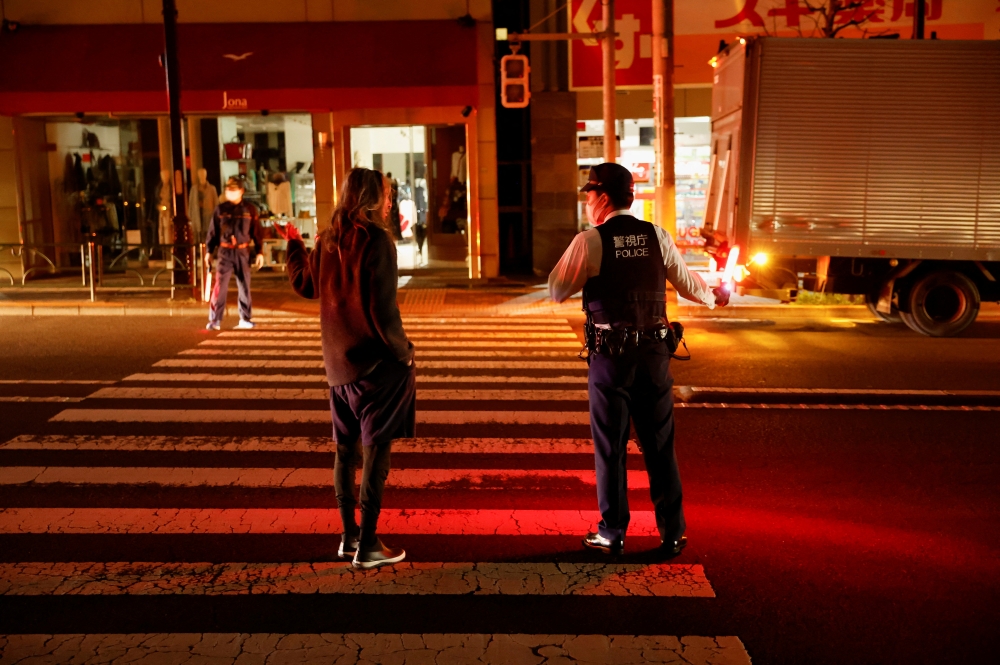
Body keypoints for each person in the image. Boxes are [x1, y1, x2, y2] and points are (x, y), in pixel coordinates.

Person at [548, 163, 730, 557]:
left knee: (611, 448)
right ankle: (673, 533)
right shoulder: (656, 235)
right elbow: (690, 284)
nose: (586, 202)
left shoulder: (591, 240)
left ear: (604, 198)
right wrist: (717, 296)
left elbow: (557, 289)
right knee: (660, 444)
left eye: (589, 194)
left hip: (611, 359)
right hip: (653, 356)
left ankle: (612, 533)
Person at [276, 167, 415, 570]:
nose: (390, 202)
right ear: (373, 198)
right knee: (375, 455)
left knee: (343, 453)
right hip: (375, 367)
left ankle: (348, 536)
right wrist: (404, 352)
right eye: (387, 195)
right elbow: (382, 310)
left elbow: (305, 284)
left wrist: (295, 247)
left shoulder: (330, 239)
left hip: (338, 370)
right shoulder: (377, 242)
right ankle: (370, 545)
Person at [204, 176, 264, 331]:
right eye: (228, 189)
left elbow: (256, 232)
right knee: (220, 286)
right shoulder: (220, 209)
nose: (229, 192)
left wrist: (260, 252)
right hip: (225, 251)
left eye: (233, 189)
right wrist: (209, 252)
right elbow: (212, 232)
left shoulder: (249, 209)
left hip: (243, 251)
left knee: (244, 286)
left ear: (241, 191)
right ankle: (215, 319)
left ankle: (245, 318)